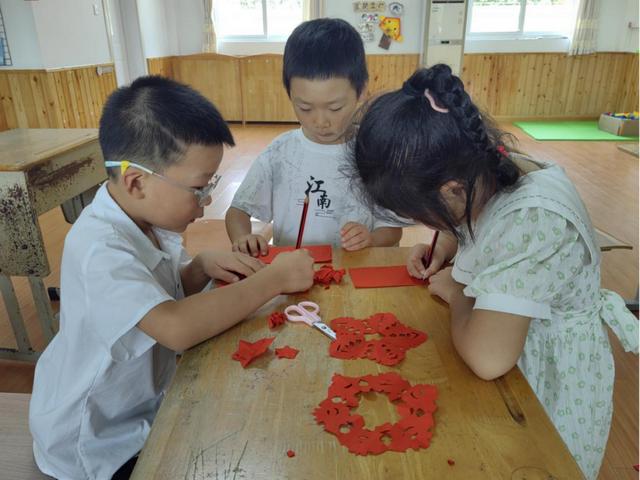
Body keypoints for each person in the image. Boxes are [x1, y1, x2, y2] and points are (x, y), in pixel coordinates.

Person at [349, 63, 639, 479]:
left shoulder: (532, 220)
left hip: (546, 378)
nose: (429, 228)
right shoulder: (491, 168)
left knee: (531, 464)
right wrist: (448, 244)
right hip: (513, 335)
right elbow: (481, 220)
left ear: (452, 189)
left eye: (425, 217)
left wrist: (456, 291)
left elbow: (488, 358)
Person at [29, 76, 314, 480]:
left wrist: (196, 270)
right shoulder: (100, 249)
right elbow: (175, 327)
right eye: (199, 188)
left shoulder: (147, 220)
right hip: (96, 441)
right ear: (136, 182)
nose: (207, 200)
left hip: (141, 406)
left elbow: (157, 295)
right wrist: (272, 281)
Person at [225, 18, 404, 256]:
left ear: (361, 91)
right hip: (291, 275)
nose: (320, 122)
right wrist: (243, 239)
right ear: (289, 93)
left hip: (355, 273)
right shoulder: (280, 152)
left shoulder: (375, 153)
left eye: (335, 108)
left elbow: (393, 230)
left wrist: (370, 238)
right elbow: (238, 210)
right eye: (305, 108)